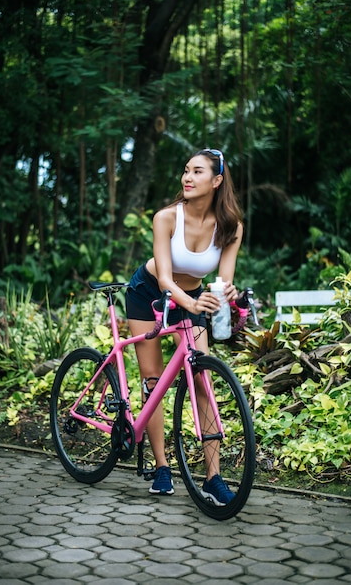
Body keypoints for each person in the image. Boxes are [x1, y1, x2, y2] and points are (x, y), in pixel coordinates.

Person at [125, 148, 243, 505]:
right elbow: (163, 278)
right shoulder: (166, 218)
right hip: (149, 293)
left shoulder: (231, 226)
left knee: (203, 381)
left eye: (197, 172)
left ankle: (213, 476)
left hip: (191, 299)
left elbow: (222, 282)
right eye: (185, 171)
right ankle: (162, 467)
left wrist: (228, 294)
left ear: (217, 181)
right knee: (155, 381)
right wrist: (190, 304)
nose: (187, 178)